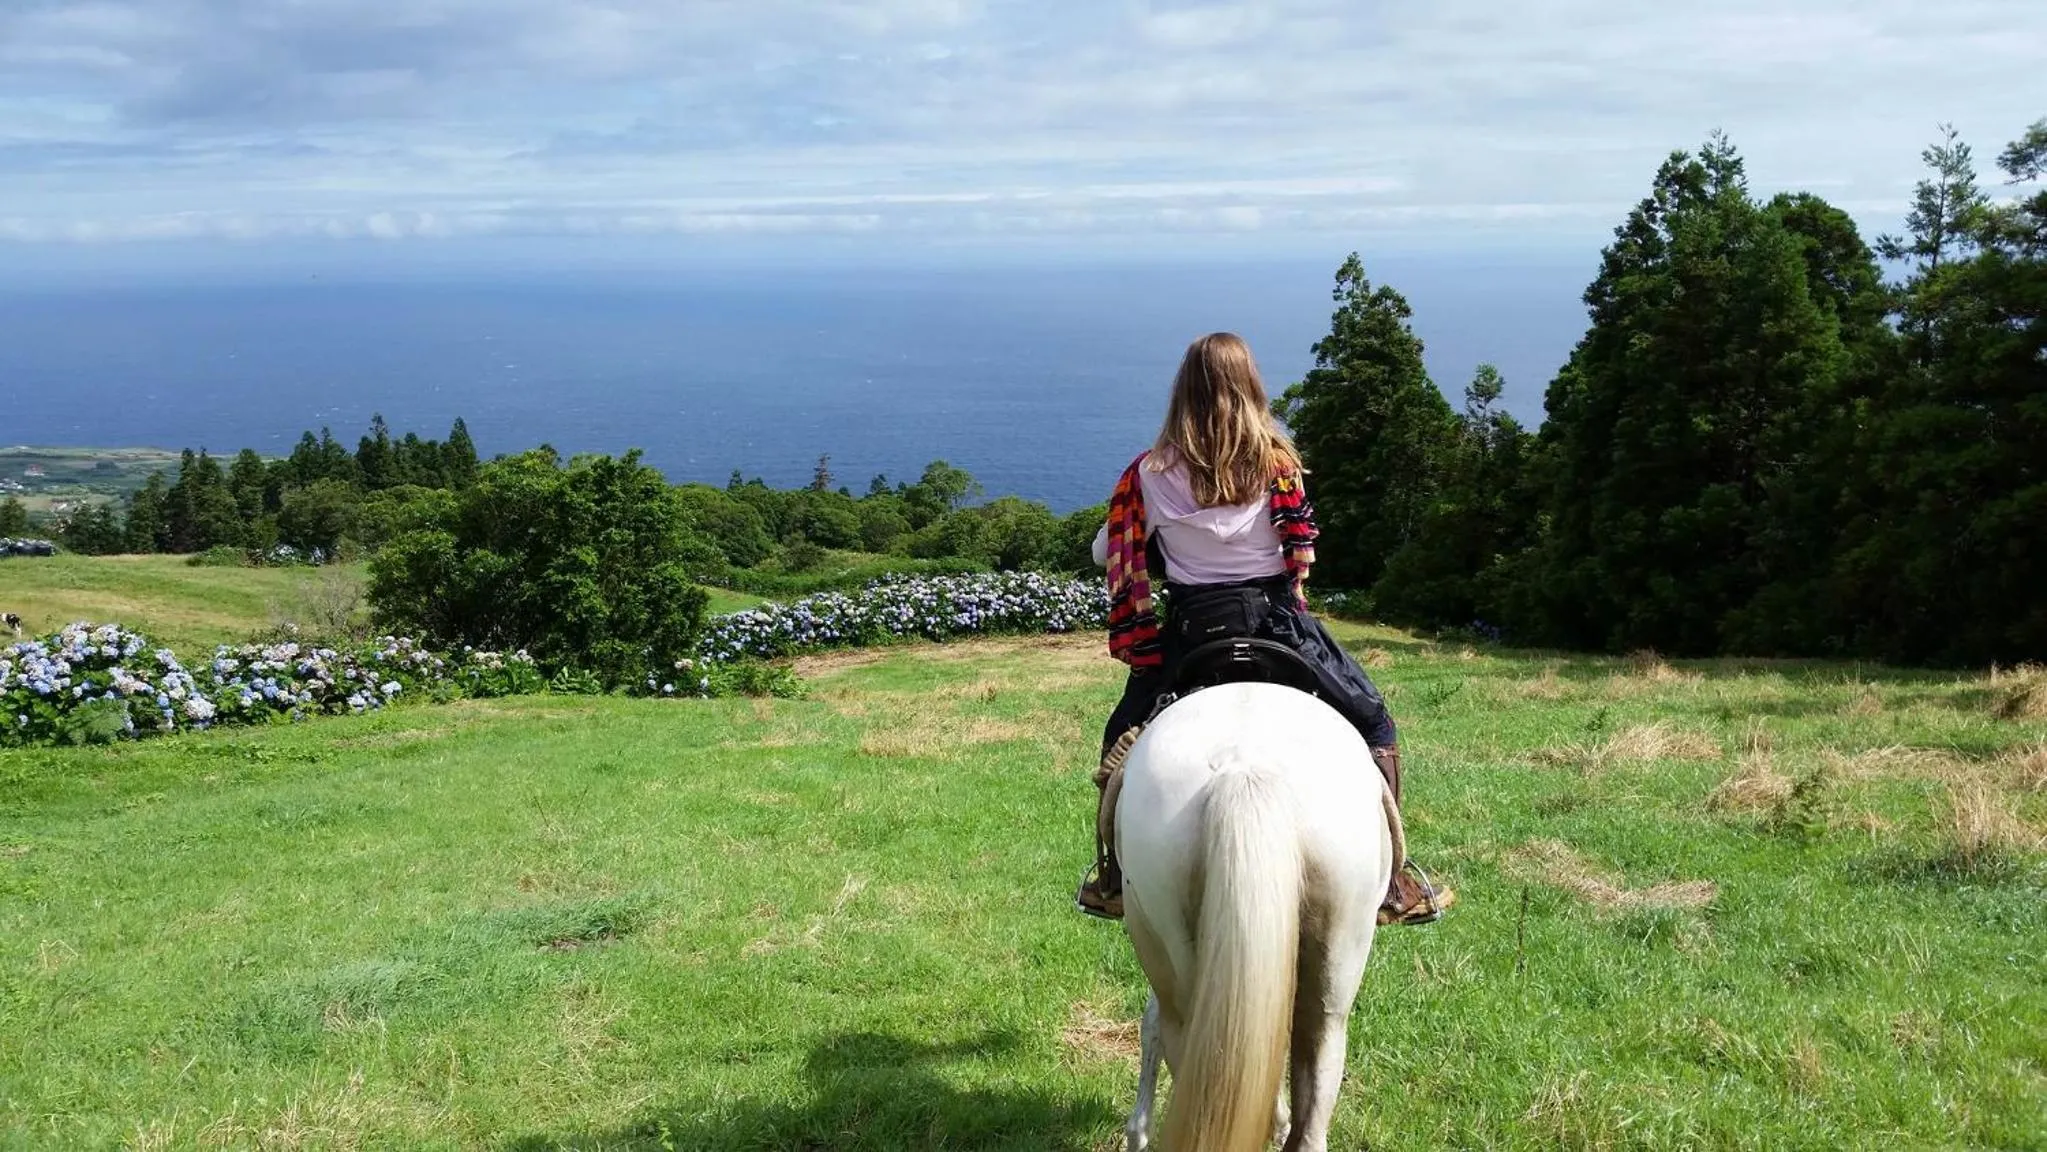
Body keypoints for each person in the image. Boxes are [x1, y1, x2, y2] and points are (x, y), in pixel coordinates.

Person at [1075, 331, 1452, 927]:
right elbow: (1297, 543)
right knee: (1375, 720)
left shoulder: (1147, 473)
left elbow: (1107, 553)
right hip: (1279, 626)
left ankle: (1113, 877)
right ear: (1251, 386)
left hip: (1194, 632)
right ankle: (1394, 883)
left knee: (1121, 732)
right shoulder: (1280, 466)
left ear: (1183, 391)